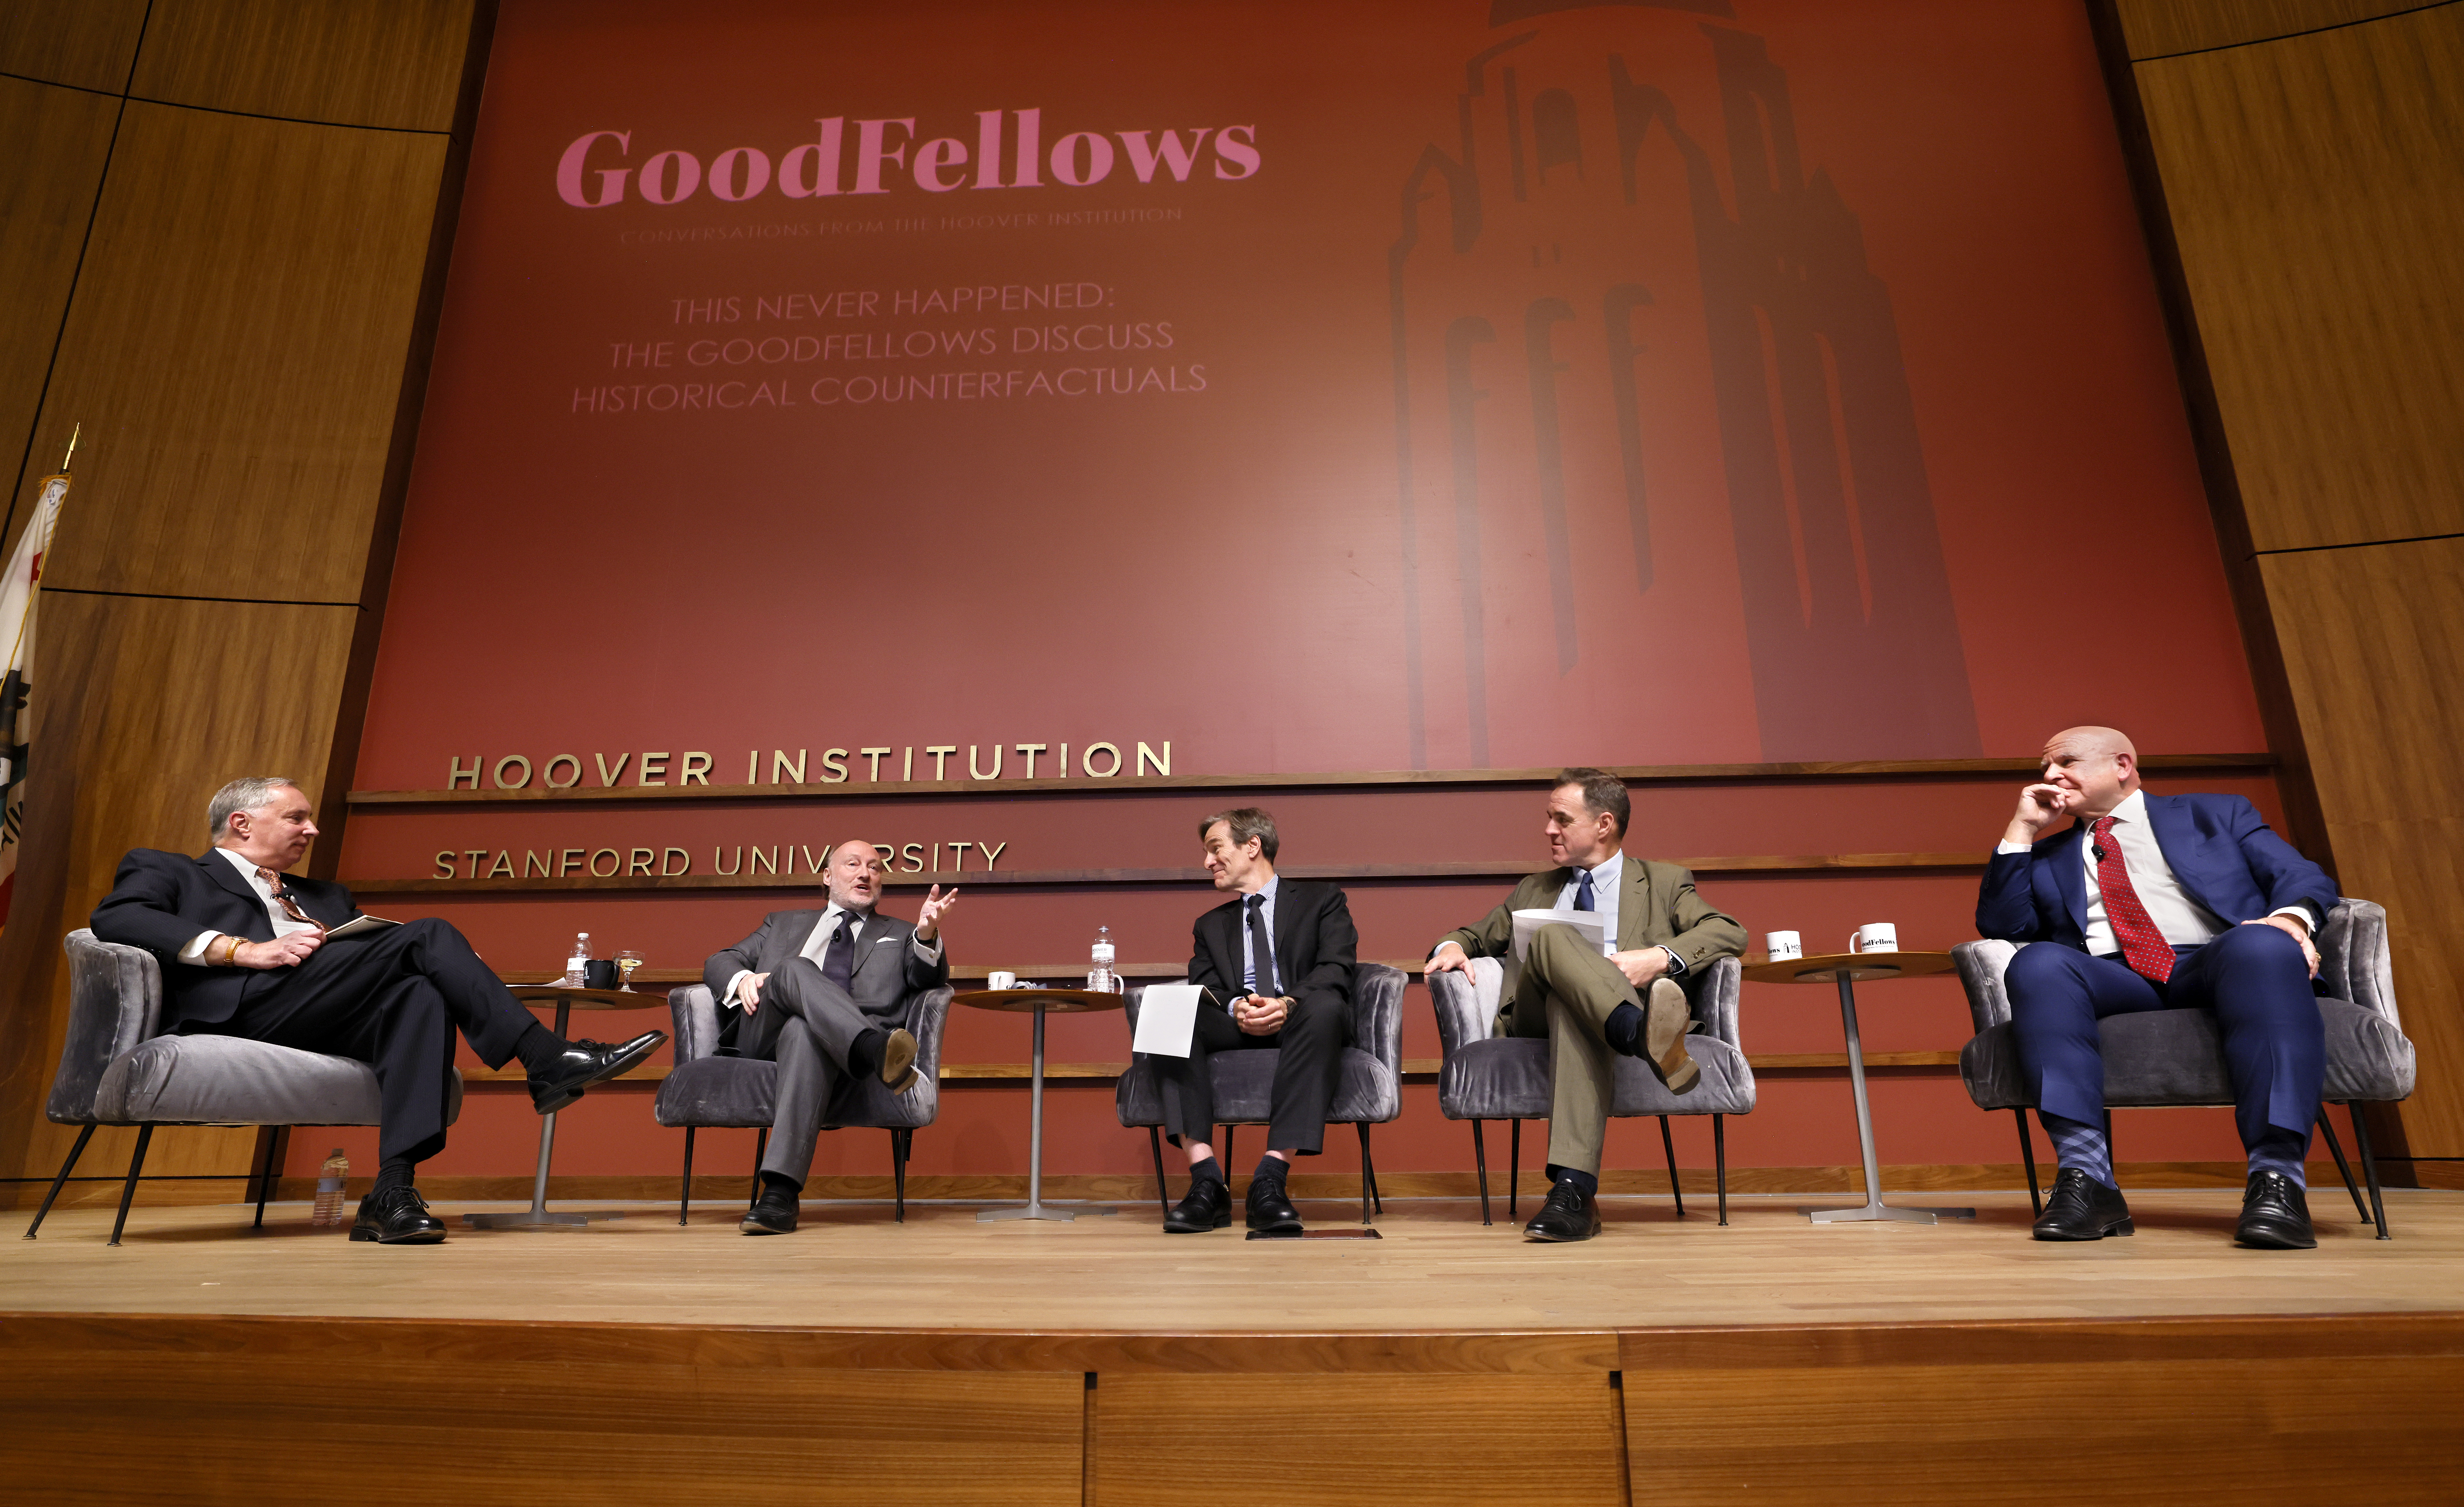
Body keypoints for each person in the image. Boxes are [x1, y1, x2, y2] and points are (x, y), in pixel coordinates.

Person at [88, 776, 664, 1245]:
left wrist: (447, 964)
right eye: (297, 818)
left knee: (421, 990)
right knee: (430, 935)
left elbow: (371, 962)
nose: (311, 829)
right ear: (242, 823)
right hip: (243, 1006)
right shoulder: (171, 870)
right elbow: (119, 919)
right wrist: (243, 949)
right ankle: (543, 1057)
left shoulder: (326, 896)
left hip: (323, 1014)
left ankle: (391, 1191)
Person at [1979, 726, 2339, 1249]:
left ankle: (2277, 1179)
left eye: (2066, 762)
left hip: (2217, 959)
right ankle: (2087, 1178)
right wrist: (2021, 829)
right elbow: (2001, 924)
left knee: (2260, 945)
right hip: (2113, 975)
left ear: (2121, 764)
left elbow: (2299, 876)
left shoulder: (2215, 814)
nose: (2050, 775)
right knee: (2036, 963)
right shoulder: (2048, 854)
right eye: (2045, 768)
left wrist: (2290, 923)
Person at [1426, 768, 1744, 1243]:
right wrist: (1450, 947)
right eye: (1549, 818)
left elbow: (1729, 931)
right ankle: (1639, 1035)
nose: (1549, 829)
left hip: (1588, 1008)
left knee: (1570, 1008)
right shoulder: (1536, 888)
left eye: (1562, 819)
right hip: (1531, 1018)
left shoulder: (1663, 882)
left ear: (1604, 824)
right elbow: (1473, 934)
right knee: (1555, 933)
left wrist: (1657, 957)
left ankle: (1573, 1193)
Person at [703, 839, 956, 1234]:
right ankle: (874, 1050)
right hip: (762, 1037)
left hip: (808, 1045)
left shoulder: (902, 933)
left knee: (804, 1029)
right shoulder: (782, 924)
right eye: (853, 864)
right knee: (793, 969)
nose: (865, 874)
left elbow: (928, 979)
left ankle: (778, 1197)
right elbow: (719, 960)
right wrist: (743, 979)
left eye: (874, 868)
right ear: (827, 876)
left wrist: (926, 935)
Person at [1150, 808, 1358, 1235]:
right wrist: (1235, 1008)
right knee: (1167, 1009)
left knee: (1326, 1005)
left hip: (1301, 1020)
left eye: (1215, 849)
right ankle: (1207, 1182)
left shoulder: (1323, 900)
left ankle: (1270, 1181)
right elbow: (1204, 986)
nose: (1208, 862)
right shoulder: (1210, 925)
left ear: (1252, 846)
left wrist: (1287, 1003)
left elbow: (1336, 967)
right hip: (1237, 1024)